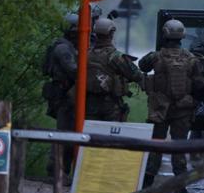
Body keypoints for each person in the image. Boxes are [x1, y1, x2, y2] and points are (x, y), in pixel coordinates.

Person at [139, 18, 204, 193]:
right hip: (182, 110)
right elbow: (199, 84)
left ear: (165, 35)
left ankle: (146, 185)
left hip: (159, 108)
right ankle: (180, 187)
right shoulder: (191, 59)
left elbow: (141, 66)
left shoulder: (156, 57)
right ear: (182, 36)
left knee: (156, 145)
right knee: (179, 146)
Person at [41, 13, 78, 179]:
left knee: (68, 134)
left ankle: (62, 172)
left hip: (66, 96)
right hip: (64, 97)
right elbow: (73, 69)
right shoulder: (64, 48)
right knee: (64, 135)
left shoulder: (67, 46)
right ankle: (55, 172)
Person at [86, 18, 144, 121]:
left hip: (88, 105)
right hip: (110, 105)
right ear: (111, 33)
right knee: (111, 136)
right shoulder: (115, 56)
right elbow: (136, 75)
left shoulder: (86, 54)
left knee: (89, 134)